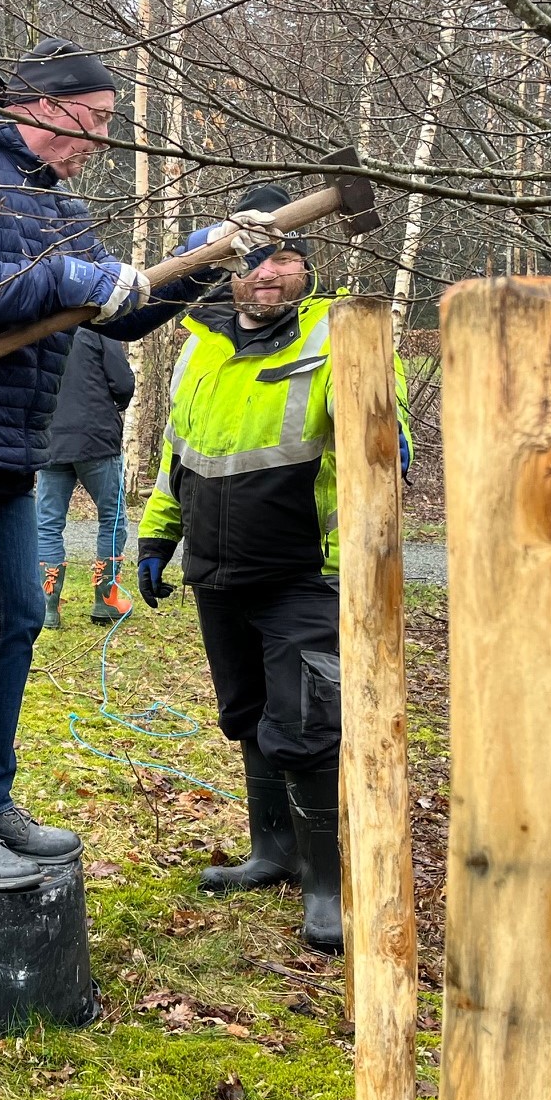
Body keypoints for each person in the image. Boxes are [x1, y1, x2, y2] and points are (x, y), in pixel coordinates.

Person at [0, 37, 267, 889]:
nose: (103, 141)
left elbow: (117, 313)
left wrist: (204, 255)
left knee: (18, 618)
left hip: (7, 439)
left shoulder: (62, 209)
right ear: (45, 104)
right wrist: (78, 275)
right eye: (99, 120)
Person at [136, 184, 412, 953]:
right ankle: (274, 850)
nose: (269, 273)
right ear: (227, 272)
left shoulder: (338, 335)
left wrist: (393, 448)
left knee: (310, 725)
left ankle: (328, 882)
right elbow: (176, 453)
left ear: (306, 270)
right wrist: (158, 536)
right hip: (219, 569)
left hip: (307, 570)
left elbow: (391, 442)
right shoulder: (200, 344)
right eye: (254, 260)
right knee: (250, 714)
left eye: (285, 258)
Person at [36, 327, 136, 628]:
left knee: (48, 522)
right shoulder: (98, 328)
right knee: (112, 516)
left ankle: (47, 607)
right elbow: (122, 381)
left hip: (51, 437)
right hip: (96, 437)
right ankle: (106, 599)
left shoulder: (40, 325)